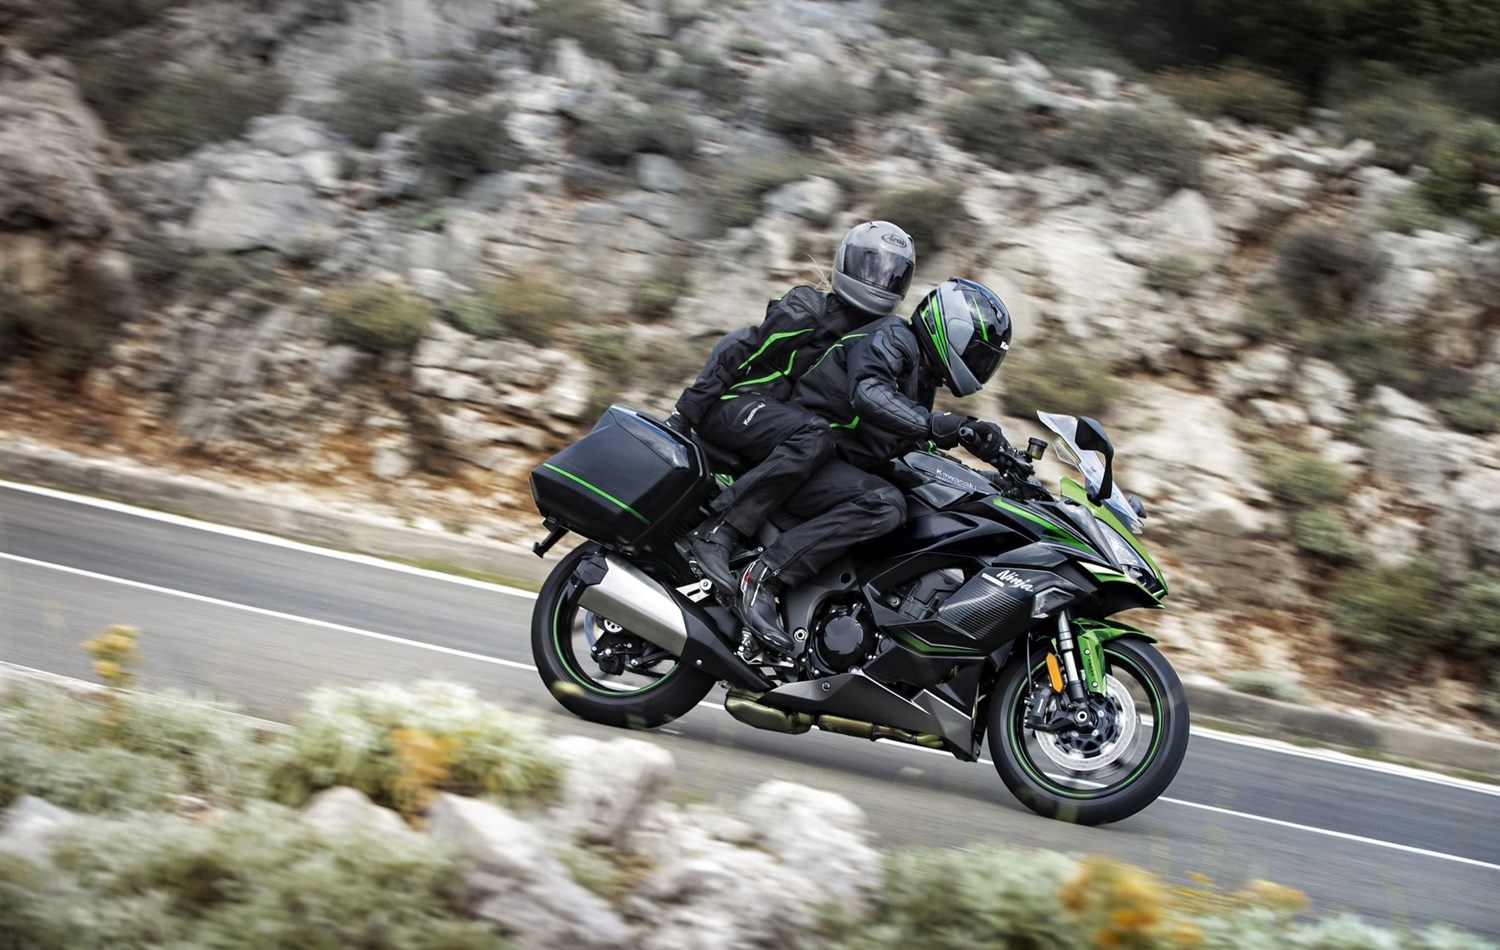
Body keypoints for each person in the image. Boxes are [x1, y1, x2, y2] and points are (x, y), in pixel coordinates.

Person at [736, 277, 1025, 650]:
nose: (981, 365)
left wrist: (986, 480)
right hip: (805, 458)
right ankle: (764, 576)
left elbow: (916, 451)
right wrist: (944, 425)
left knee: (922, 502)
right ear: (951, 331)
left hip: (835, 465)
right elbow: (869, 393)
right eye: (977, 353)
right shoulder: (894, 337)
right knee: (884, 505)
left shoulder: (921, 378)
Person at [669, 221, 917, 652]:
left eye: (890, 275)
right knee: (814, 435)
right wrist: (683, 416)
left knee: (822, 443)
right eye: (871, 269)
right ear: (845, 264)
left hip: (782, 430)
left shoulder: (877, 340)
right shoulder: (809, 309)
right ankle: (716, 532)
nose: (879, 281)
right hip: (734, 404)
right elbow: (738, 349)